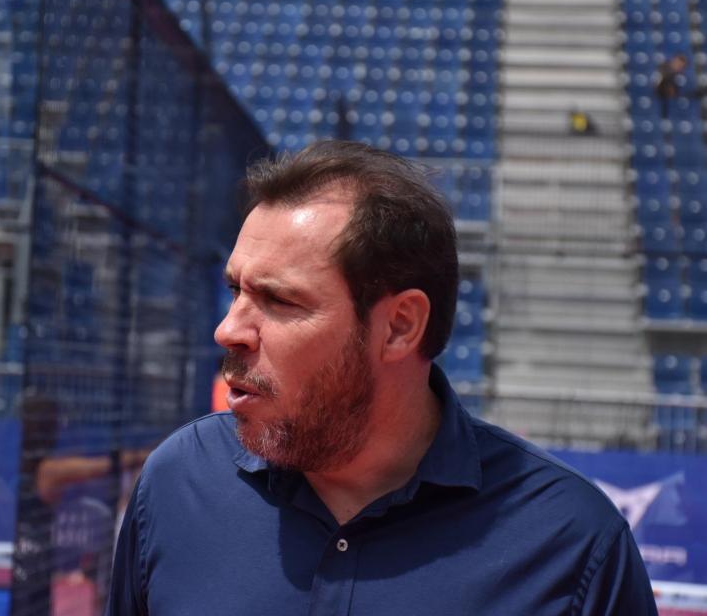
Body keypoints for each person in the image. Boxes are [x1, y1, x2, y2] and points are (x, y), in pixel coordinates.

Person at [106, 140, 657, 615]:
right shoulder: (178, 483)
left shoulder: (571, 544)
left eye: (277, 300)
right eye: (236, 291)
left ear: (399, 326)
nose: (229, 330)